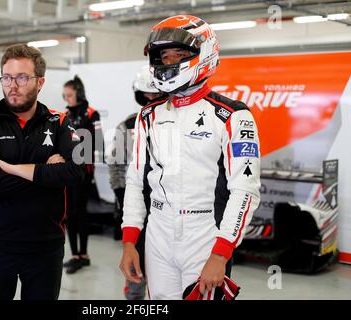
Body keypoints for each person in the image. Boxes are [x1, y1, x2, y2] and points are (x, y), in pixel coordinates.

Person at [119, 15, 261, 300]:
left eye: (179, 55)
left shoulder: (234, 115)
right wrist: (129, 242)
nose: (169, 62)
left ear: (204, 54)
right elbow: (135, 181)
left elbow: (245, 191)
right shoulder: (148, 116)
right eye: (164, 56)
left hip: (205, 233)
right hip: (157, 234)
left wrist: (221, 254)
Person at [0, 44, 84, 300]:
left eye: (22, 77)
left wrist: (13, 169)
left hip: (46, 247)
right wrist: (46, 173)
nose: (13, 85)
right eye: (7, 77)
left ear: (40, 82)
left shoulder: (60, 121)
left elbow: (76, 172)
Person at [108, 65, 162, 300]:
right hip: (137, 205)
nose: (150, 98)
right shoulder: (129, 125)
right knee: (135, 265)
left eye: (155, 93)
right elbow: (116, 162)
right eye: (146, 94)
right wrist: (120, 194)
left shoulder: (180, 123)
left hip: (169, 209)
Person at [62, 75, 104, 274]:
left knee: (80, 213)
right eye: (65, 95)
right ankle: (75, 255)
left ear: (79, 93)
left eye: (69, 95)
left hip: (84, 171)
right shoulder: (64, 115)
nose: (67, 99)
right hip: (67, 170)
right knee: (69, 214)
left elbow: (99, 141)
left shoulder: (92, 113)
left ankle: (83, 255)